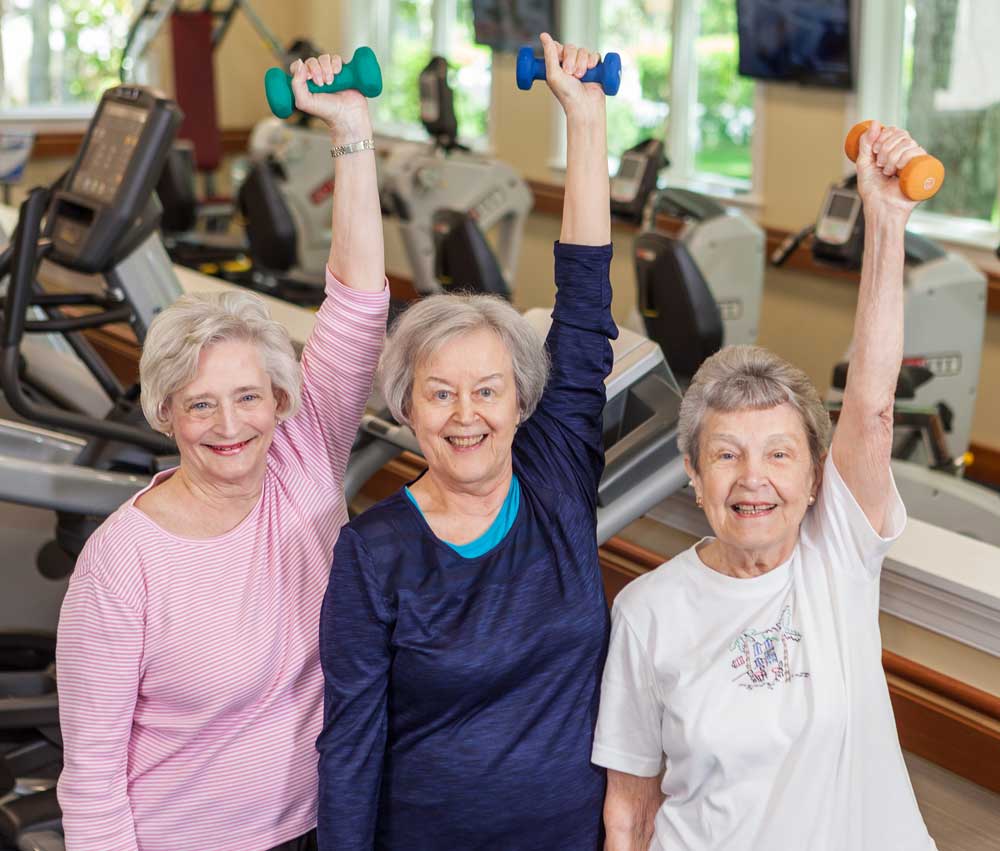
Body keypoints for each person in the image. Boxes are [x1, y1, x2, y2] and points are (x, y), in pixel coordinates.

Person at [56, 53, 388, 851]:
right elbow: (92, 776)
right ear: (167, 413)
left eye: (247, 397)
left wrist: (351, 130)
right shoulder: (122, 561)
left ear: (282, 401)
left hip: (326, 825)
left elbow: (358, 303)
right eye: (199, 403)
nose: (228, 424)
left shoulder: (305, 458)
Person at [592, 122, 938, 851]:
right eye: (726, 455)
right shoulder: (645, 611)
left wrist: (884, 218)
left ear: (815, 478)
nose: (754, 479)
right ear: (692, 472)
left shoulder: (836, 559)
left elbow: (871, 410)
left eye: (780, 455)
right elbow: (628, 806)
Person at [315, 33, 614, 851]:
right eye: (438, 393)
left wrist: (584, 123)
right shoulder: (372, 554)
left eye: (487, 390)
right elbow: (348, 742)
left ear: (521, 401)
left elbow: (584, 306)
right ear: (408, 409)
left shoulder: (555, 473)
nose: (465, 414)